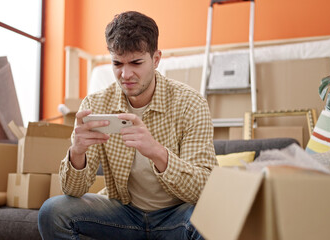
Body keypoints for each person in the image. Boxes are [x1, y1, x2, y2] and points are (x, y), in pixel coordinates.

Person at [38, 11, 218, 240]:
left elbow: (204, 188)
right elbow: (73, 192)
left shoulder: (190, 103)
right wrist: (77, 152)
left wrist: (157, 153)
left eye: (136, 62)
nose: (125, 74)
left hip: (177, 216)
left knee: (212, 219)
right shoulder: (96, 104)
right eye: (117, 63)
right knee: (53, 212)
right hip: (123, 214)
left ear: (156, 59)